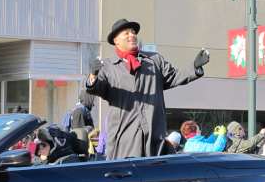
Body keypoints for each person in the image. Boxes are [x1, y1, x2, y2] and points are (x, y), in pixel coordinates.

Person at [86, 19, 209, 160]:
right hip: (124, 142)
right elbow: (96, 88)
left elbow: (173, 76)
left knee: (155, 179)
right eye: (126, 33)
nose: (132, 35)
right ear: (116, 40)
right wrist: (93, 75)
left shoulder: (154, 60)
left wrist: (195, 67)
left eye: (133, 32)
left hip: (154, 140)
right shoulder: (108, 67)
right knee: (127, 180)